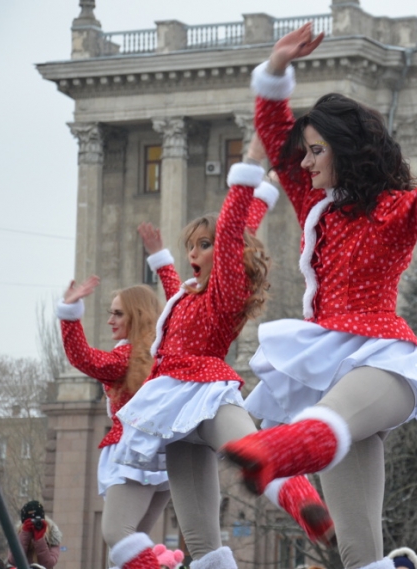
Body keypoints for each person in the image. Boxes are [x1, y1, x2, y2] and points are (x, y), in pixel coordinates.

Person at [221, 22, 417, 569]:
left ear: (345, 151)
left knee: (325, 419)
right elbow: (275, 134)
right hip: (329, 363)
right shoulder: (312, 199)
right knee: (358, 547)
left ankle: (274, 452)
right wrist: (275, 68)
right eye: (303, 154)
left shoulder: (393, 210)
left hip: (384, 362)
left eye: (316, 152)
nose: (304, 164)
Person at [110, 142, 332, 569]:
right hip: (169, 410)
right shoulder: (187, 294)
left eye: (203, 245)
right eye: (189, 246)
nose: (192, 253)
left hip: (204, 393)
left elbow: (235, 230)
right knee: (201, 540)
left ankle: (308, 506)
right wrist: (159, 256)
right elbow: (183, 274)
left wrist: (249, 170)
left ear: (228, 254)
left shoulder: (224, 293)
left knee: (254, 449)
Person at [56, 276, 171, 561]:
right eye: (110, 312)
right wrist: (161, 262)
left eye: (118, 313)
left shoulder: (127, 358)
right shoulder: (162, 353)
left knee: (117, 536)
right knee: (132, 546)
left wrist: (69, 313)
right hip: (161, 458)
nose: (110, 320)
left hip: (133, 454)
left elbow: (83, 358)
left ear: (138, 315)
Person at [7, 501, 60, 569]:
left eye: (36, 520)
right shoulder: (17, 536)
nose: (34, 523)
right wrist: (25, 533)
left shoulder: (52, 537)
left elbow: (48, 564)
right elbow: (13, 561)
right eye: (30, 521)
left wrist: (39, 539)